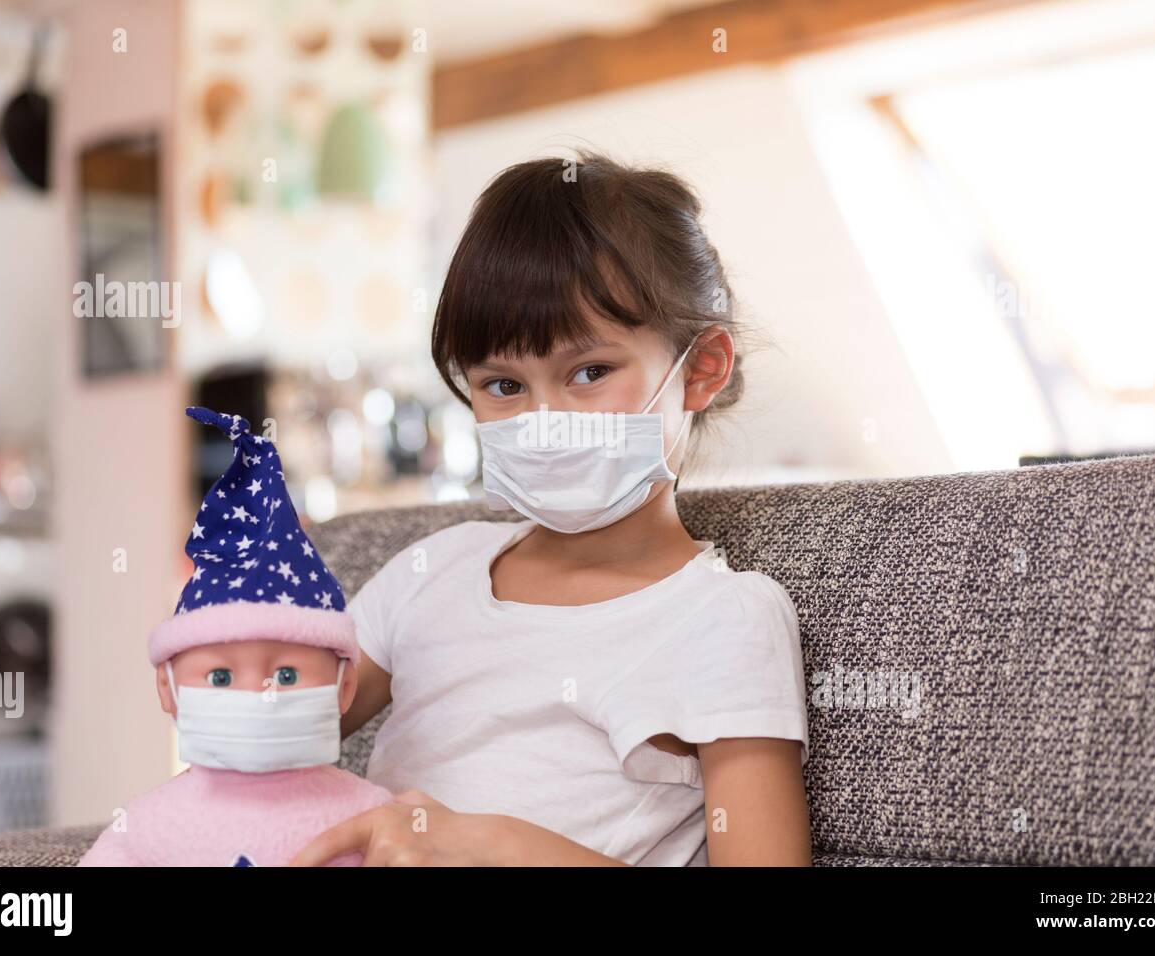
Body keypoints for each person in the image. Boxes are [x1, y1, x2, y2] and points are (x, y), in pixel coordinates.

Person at [290, 151, 811, 866]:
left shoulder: (725, 619)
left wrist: (490, 841)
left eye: (590, 372)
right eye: (502, 385)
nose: (544, 418)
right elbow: (266, 732)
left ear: (701, 369)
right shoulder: (427, 572)